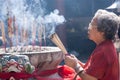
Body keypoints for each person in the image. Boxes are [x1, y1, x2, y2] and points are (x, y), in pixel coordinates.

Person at [65, 9, 119, 80]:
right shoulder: (106, 46)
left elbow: (90, 78)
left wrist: (75, 65)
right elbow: (92, 70)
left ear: (102, 31)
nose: (89, 28)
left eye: (92, 24)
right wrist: (77, 62)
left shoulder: (103, 51)